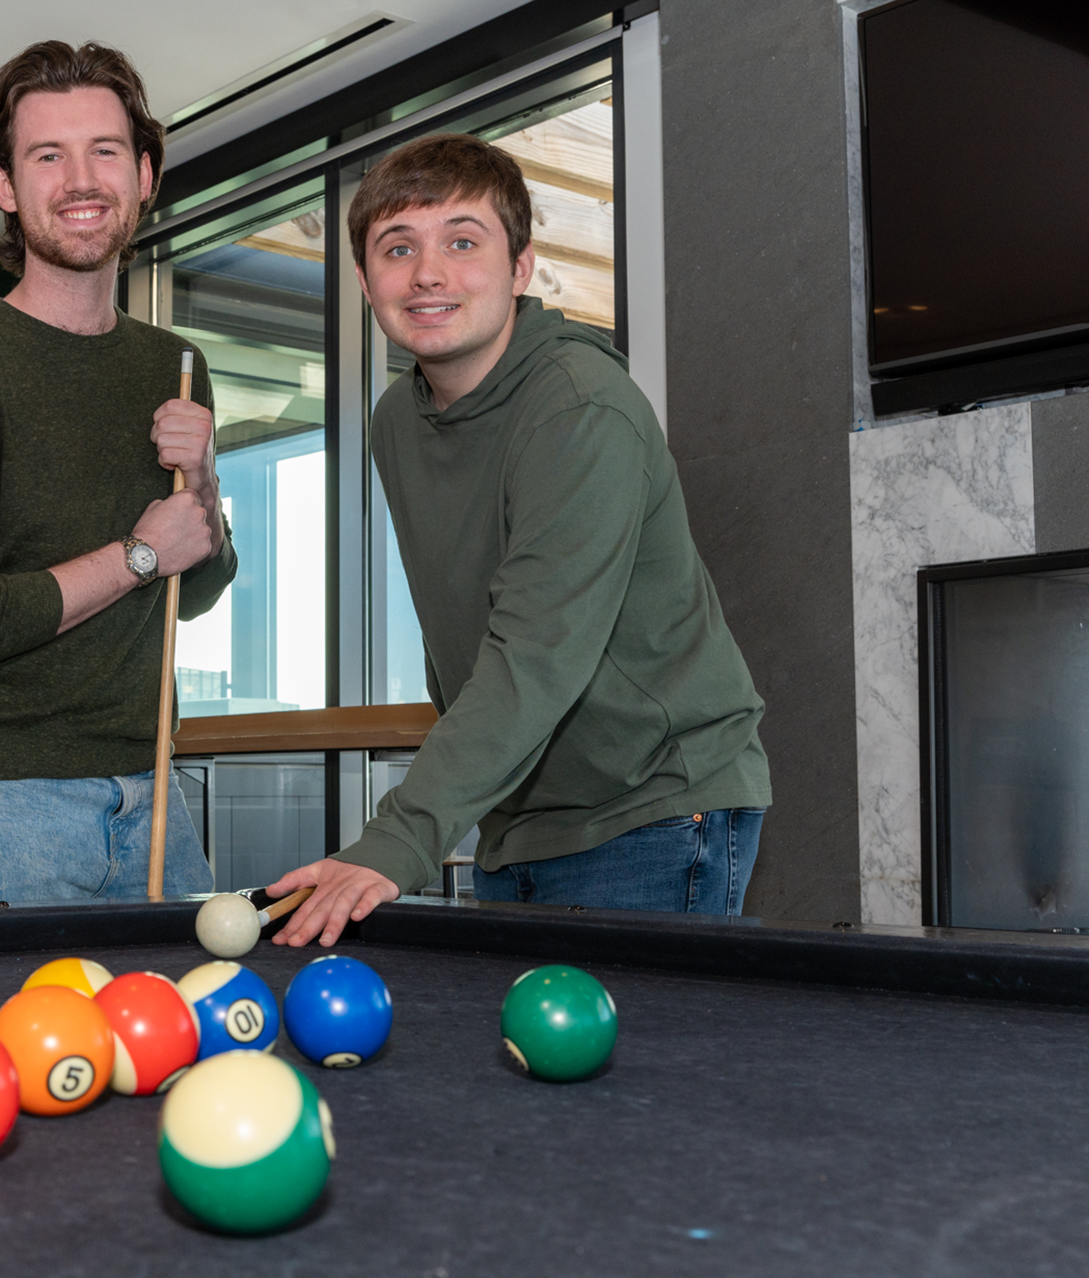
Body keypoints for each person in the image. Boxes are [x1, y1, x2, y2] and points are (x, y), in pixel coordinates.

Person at [270, 133, 771, 946]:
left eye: (462, 242)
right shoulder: (396, 420)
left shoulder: (581, 406)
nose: (428, 273)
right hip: (515, 820)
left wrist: (398, 839)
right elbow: (458, 625)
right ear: (365, 282)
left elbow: (536, 652)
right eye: (399, 249)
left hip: (656, 808)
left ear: (522, 267)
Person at [0, 41, 236, 904]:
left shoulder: (178, 362)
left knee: (183, 1043)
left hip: (154, 798)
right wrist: (138, 554)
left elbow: (191, 588)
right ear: (7, 188)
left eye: (105, 151)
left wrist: (206, 491)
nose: (81, 179)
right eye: (49, 155)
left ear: (145, 175)